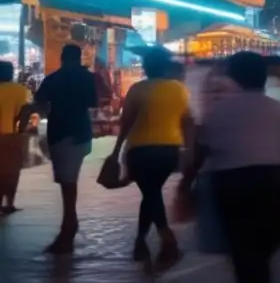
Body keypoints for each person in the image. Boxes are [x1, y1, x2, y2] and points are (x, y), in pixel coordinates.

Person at [181, 51, 280, 283]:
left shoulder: (219, 110)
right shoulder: (277, 108)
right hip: (271, 183)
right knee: (263, 247)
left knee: (241, 247)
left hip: (230, 185)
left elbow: (201, 150)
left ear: (233, 77)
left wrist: (186, 184)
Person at [112, 49, 193, 267]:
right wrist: (190, 149)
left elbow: (126, 123)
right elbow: (187, 121)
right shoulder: (180, 90)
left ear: (146, 68)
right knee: (151, 194)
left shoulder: (138, 89)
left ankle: (167, 239)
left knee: (151, 193)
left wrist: (116, 149)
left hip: (141, 151)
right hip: (170, 151)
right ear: (166, 67)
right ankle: (140, 242)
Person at [33, 44, 99, 253]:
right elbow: (94, 102)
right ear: (79, 58)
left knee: (67, 183)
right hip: (82, 133)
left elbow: (40, 102)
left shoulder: (54, 78)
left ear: (62, 58)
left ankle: (68, 229)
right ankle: (70, 224)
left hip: (61, 133)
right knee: (68, 181)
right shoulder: (88, 77)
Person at [0, 61, 31, 214]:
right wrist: (21, 131)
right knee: (12, 171)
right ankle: (9, 203)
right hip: (12, 136)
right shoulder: (20, 90)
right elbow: (25, 112)